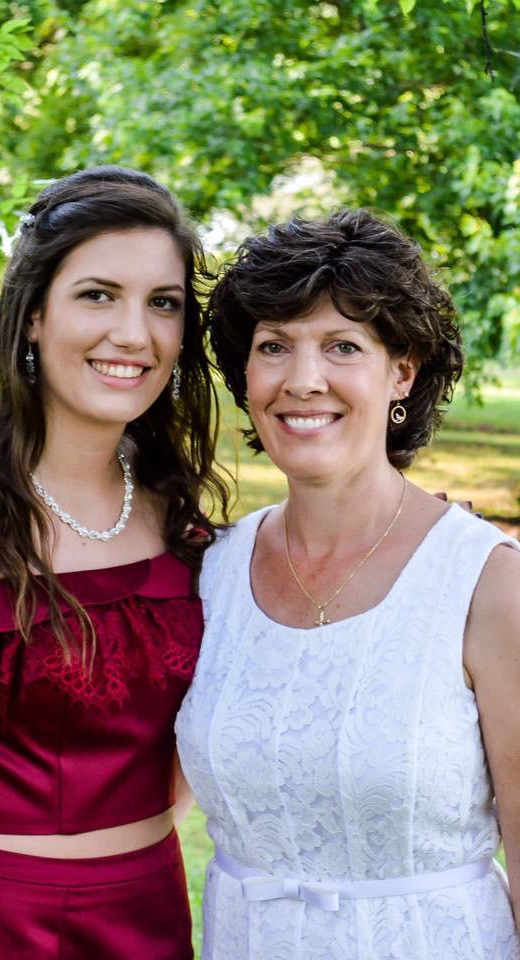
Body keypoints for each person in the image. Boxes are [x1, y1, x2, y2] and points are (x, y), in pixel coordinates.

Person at [0, 165, 229, 960]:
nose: (134, 334)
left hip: (153, 914)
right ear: (34, 313)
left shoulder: (174, 507)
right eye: (98, 295)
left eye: (163, 303)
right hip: (0, 924)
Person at [175, 210, 520, 959]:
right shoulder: (213, 571)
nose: (303, 380)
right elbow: (143, 783)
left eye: (343, 346)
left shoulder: (487, 583)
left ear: (403, 371)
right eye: (274, 346)